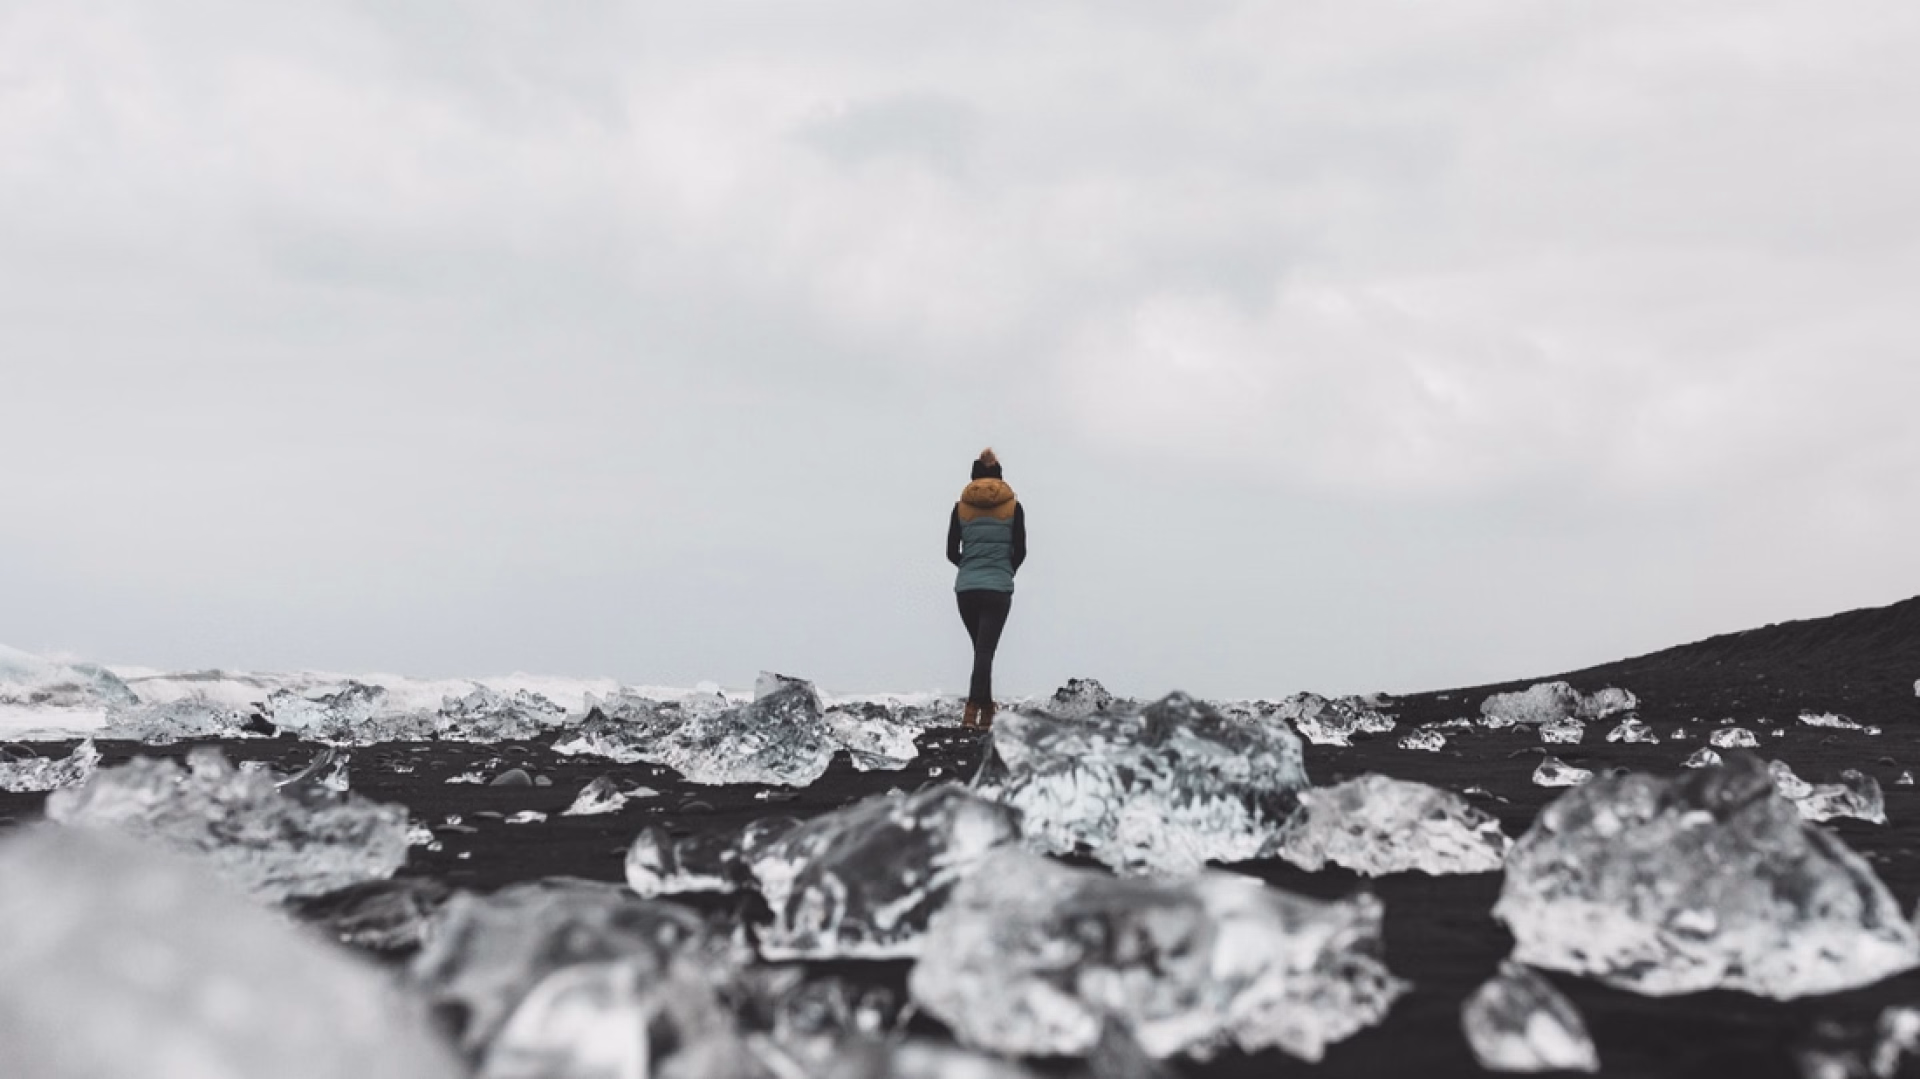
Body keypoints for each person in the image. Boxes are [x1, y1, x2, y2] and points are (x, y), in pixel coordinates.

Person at [947, 448, 1026, 729]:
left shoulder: (960, 507)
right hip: (998, 589)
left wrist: (969, 569)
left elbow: (950, 552)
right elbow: (1021, 551)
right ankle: (972, 713)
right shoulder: (1014, 507)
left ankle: (987, 711)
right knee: (984, 651)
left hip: (966, 589)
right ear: (999, 475)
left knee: (982, 651)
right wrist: (1005, 571)